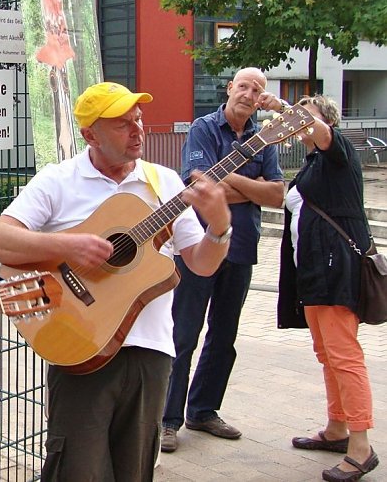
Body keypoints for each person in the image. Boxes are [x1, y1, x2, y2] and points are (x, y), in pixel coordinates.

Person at [0, 81, 232, 481]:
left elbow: (202, 264)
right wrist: (68, 246)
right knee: (77, 469)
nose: (137, 131)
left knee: (135, 470)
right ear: (89, 135)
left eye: (138, 119)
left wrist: (219, 226)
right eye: (121, 124)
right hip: (82, 347)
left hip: (152, 351)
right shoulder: (58, 180)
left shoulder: (164, 183)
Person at [161, 67, 284, 453]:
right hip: (199, 247)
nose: (249, 94)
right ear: (231, 88)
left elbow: (278, 194)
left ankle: (203, 410)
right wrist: (254, 189)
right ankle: (167, 419)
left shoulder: (265, 137)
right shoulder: (203, 127)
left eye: (258, 89)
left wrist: (233, 186)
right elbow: (198, 186)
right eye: (244, 86)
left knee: (224, 335)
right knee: (183, 334)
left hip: (242, 246)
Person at [271, 94, 379, 482]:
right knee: (327, 354)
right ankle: (337, 428)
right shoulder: (313, 163)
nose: (297, 125)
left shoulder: (339, 151)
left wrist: (283, 106)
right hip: (313, 273)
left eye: (305, 118)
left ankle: (361, 446)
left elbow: (319, 129)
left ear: (324, 123)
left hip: (336, 272)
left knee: (344, 355)